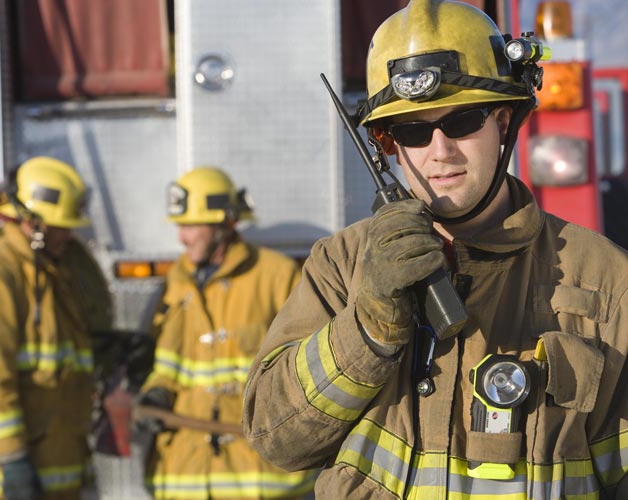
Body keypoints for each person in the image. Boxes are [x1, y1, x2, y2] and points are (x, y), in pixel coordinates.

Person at [242, 0, 628, 498]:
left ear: (504, 122)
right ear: (388, 144)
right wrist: (367, 329)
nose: (440, 151)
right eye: (413, 130)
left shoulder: (606, 280)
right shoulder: (340, 266)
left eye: (463, 121)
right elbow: (277, 441)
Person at [136, 167, 317, 499]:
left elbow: (307, 370)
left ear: (226, 223)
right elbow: (166, 365)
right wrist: (155, 393)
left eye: (191, 226)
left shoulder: (277, 277)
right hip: (187, 474)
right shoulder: (177, 281)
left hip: (258, 477)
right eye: (180, 226)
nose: (182, 237)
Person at [0, 156, 112, 499]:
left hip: (63, 462)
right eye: (59, 226)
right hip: (20, 473)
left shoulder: (61, 269)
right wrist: (13, 459)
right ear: (31, 221)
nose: (68, 235)